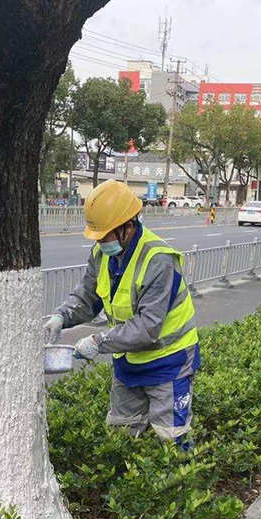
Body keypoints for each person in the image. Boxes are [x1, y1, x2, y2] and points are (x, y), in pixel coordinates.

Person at [45, 179, 199, 447]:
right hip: (128, 360)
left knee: (171, 437)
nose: (101, 241)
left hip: (169, 361)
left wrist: (97, 342)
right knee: (120, 435)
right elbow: (88, 297)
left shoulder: (159, 259)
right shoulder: (102, 253)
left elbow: (148, 326)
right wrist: (61, 316)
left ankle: (178, 484)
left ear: (128, 226)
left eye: (105, 234)